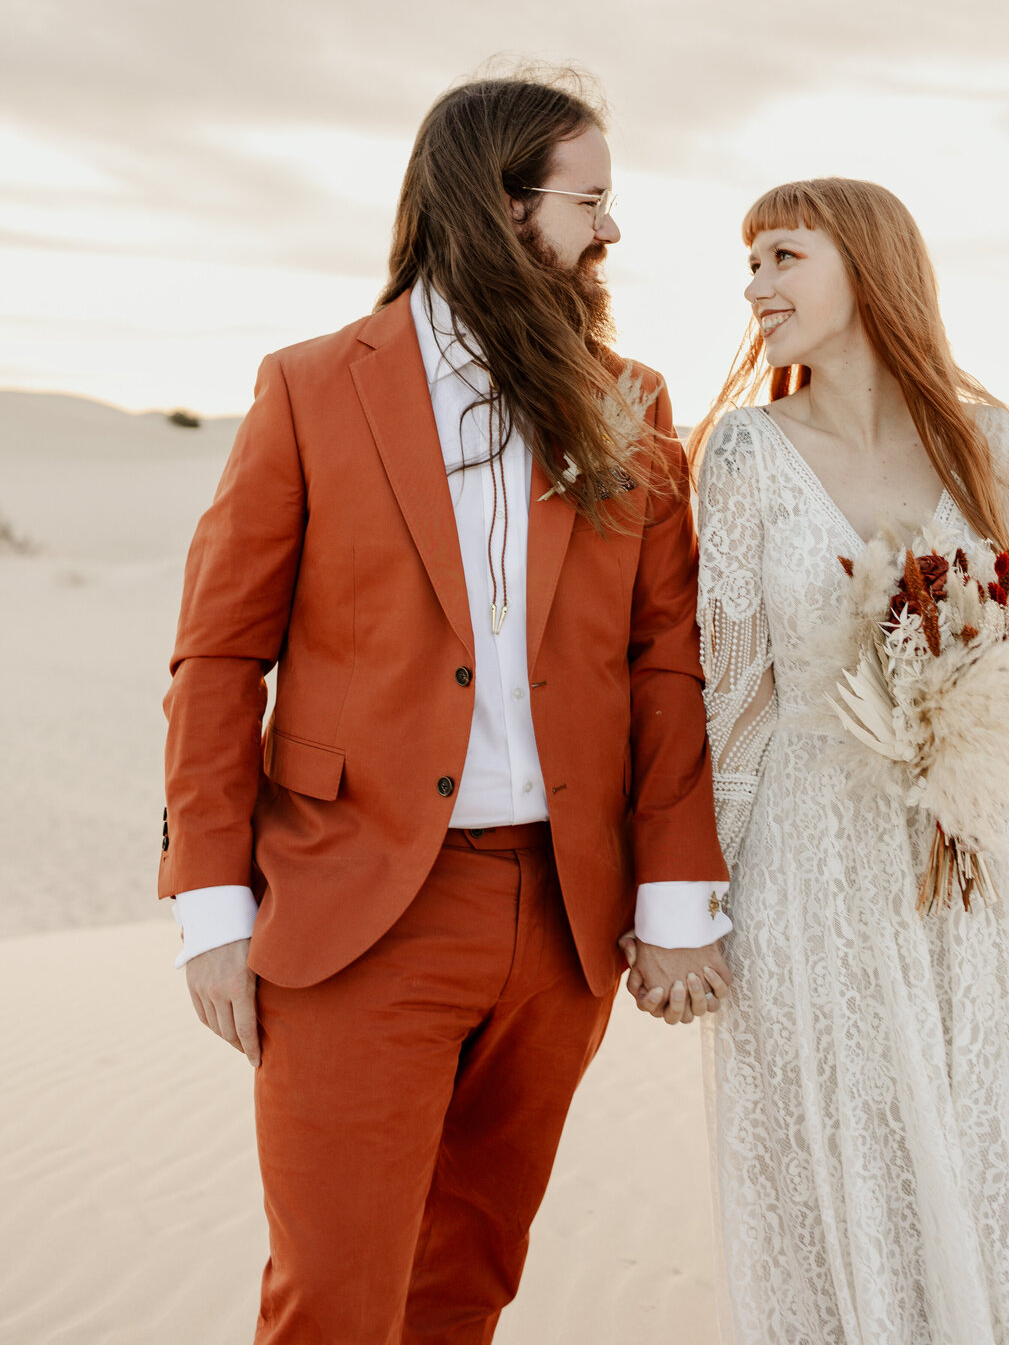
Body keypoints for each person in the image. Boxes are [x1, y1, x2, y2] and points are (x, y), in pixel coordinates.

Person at [159, 70, 731, 1344]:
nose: (611, 232)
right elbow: (216, 657)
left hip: (565, 920)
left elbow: (664, 660)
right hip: (357, 911)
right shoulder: (313, 387)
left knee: (463, 1288)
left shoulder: (628, 400)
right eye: (589, 201)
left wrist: (676, 896)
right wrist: (208, 904)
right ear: (497, 204)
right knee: (336, 1301)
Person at [683, 176, 1009, 1343]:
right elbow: (736, 693)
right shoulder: (747, 453)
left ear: (864, 265)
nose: (754, 286)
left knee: (989, 1117)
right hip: (808, 847)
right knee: (849, 1136)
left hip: (970, 834)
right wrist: (701, 889)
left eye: (781, 257)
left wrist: (966, 738)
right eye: (749, 262)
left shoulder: (988, 436)